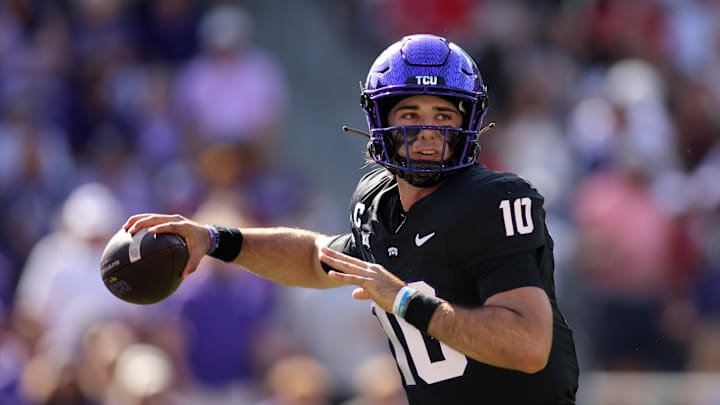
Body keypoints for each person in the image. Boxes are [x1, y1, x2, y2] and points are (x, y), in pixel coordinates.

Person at [124, 34, 579, 404]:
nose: (427, 133)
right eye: (410, 115)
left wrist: (403, 301)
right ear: (381, 120)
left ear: (467, 124)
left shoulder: (493, 201)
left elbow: (527, 344)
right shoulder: (380, 204)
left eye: (443, 115)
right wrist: (214, 238)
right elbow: (312, 259)